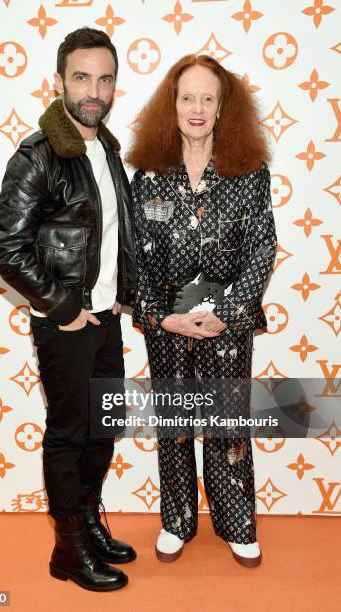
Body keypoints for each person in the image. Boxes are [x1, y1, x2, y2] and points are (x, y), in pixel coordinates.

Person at [0, 27, 136, 591]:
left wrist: (118, 291)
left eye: (104, 78)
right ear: (59, 81)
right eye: (82, 78)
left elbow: (109, 231)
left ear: (114, 84)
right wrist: (62, 306)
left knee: (105, 428)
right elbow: (7, 249)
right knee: (70, 433)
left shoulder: (108, 149)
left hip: (105, 319)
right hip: (66, 323)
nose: (93, 90)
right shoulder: (39, 154)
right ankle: (67, 549)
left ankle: (89, 523)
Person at [126, 54, 277, 567]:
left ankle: (237, 523)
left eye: (207, 98)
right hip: (166, 325)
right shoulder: (147, 175)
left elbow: (263, 247)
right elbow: (133, 254)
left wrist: (230, 312)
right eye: (187, 96)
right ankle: (176, 521)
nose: (196, 107)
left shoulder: (249, 172)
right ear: (172, 105)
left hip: (226, 328)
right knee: (174, 423)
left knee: (227, 423)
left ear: (222, 108)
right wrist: (160, 314)